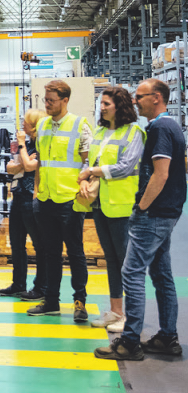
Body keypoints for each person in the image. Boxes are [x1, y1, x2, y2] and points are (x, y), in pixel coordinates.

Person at [96, 79, 187, 360]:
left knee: (132, 272)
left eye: (140, 96)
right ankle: (167, 337)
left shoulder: (159, 127)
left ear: (156, 97)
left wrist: (141, 207)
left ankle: (130, 342)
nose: (136, 101)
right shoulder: (169, 126)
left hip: (154, 213)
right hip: (168, 210)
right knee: (161, 274)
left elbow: (160, 174)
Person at [27, 80, 92, 322]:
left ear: (65, 100)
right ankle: (51, 301)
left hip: (70, 200)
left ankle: (79, 302)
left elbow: (88, 162)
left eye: (51, 100)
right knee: (50, 253)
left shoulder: (80, 126)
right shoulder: (42, 125)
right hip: (46, 199)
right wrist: (36, 191)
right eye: (45, 99)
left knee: (75, 253)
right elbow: (42, 162)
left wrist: (84, 183)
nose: (47, 104)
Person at [79, 87, 144, 332]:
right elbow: (88, 162)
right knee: (112, 260)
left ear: (120, 106)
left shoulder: (134, 133)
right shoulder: (100, 132)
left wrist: (93, 172)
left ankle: (129, 316)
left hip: (122, 206)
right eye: (101, 103)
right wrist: (84, 178)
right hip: (99, 204)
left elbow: (126, 167)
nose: (102, 107)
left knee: (126, 262)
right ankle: (115, 311)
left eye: (106, 103)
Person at [1, 109, 50, 302]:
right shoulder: (28, 146)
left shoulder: (41, 145)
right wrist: (24, 161)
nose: (22, 124)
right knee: (16, 243)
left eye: (26, 121)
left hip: (32, 199)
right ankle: (18, 283)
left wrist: (22, 153)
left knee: (40, 245)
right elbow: (11, 167)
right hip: (18, 196)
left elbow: (30, 167)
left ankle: (41, 286)